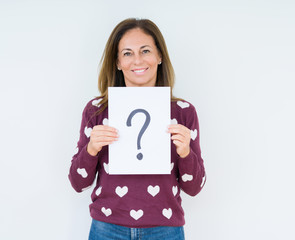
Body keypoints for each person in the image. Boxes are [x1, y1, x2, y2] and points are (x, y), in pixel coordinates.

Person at [68, 18, 206, 240]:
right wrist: (91, 149)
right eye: (127, 53)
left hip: (165, 228)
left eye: (145, 51)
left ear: (159, 56)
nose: (137, 60)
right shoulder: (96, 110)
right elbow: (77, 182)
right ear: (117, 62)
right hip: (107, 227)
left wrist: (185, 153)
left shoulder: (183, 112)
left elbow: (194, 187)